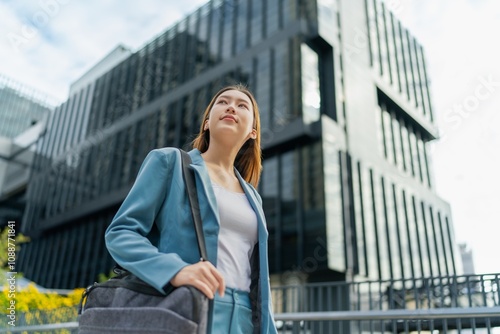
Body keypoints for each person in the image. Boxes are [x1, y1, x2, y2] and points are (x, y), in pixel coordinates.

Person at [105, 84, 278, 333]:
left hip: (245, 318)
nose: (231, 106)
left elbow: (259, 278)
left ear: (252, 131)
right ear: (207, 123)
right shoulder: (169, 162)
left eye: (242, 105)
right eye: (222, 102)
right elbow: (121, 232)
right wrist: (176, 270)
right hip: (187, 307)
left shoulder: (253, 197)